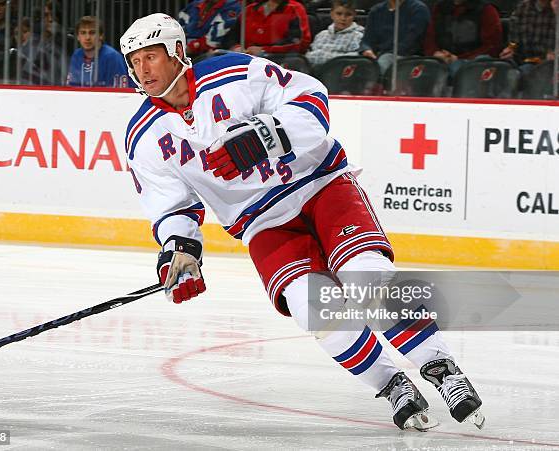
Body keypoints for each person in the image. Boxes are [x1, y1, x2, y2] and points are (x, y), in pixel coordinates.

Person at [119, 13, 485, 431]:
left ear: (179, 53)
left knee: (366, 276)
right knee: (311, 307)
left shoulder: (235, 73)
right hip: (263, 224)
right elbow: (170, 205)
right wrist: (179, 249)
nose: (142, 69)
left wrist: (268, 134)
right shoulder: (142, 135)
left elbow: (312, 101)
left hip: (320, 185)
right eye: (135, 61)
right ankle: (392, 383)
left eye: (151, 56)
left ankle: (442, 369)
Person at [424, 0, 503, 76]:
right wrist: (435, 53)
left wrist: (458, 58)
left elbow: (492, 46)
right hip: (441, 60)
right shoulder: (440, 7)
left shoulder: (487, 10)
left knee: (457, 68)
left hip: (472, 63)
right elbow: (429, 38)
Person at [358, 0, 430, 75]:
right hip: (377, 56)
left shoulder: (418, 9)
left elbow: (411, 42)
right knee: (352, 62)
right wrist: (366, 50)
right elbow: (366, 40)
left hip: (405, 55)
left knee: (384, 61)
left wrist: (382, 55)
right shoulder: (376, 10)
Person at [226, 0, 312, 56]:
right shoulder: (249, 10)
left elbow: (300, 43)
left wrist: (264, 50)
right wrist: (236, 48)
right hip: (246, 61)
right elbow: (231, 37)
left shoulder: (294, 9)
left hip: (278, 62)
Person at [66, 16, 129, 88]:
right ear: (78, 36)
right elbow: (71, 86)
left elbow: (119, 91)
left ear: (101, 36)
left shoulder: (112, 56)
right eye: (83, 33)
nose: (87, 37)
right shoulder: (77, 55)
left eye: (92, 33)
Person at [499, 0, 556, 72]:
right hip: (521, 62)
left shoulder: (555, 10)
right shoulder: (523, 7)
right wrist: (510, 50)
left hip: (547, 68)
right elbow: (513, 41)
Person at [305, 0, 365, 68]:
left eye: (348, 15)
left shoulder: (358, 36)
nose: (343, 18)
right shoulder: (321, 35)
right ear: (332, 14)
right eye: (339, 14)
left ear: (354, 15)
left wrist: (322, 55)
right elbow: (308, 56)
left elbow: (353, 59)